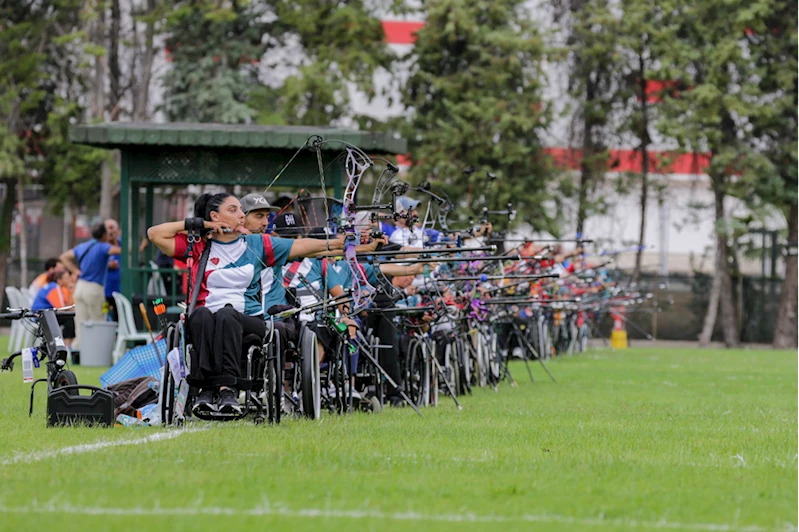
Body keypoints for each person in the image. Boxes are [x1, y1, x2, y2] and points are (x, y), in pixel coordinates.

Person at [147, 192, 345, 416]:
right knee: (200, 315)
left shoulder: (257, 243)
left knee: (227, 314)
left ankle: (227, 389)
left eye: (241, 210)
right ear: (214, 216)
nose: (241, 215)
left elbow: (301, 246)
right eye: (233, 210)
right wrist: (199, 225)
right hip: (206, 322)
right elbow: (154, 234)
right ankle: (204, 390)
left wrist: (338, 243)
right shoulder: (198, 245)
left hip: (249, 322)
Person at [59, 223, 122, 352]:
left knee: (81, 323)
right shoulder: (103, 247)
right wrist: (115, 240)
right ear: (104, 234)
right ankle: (97, 352)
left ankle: (78, 351)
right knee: (98, 320)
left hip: (80, 287)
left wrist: (75, 271)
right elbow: (120, 250)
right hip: (94, 288)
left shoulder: (83, 246)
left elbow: (63, 257)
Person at [31, 269, 75, 351]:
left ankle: (68, 346)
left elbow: (66, 307)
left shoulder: (56, 287)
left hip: (44, 315)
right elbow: (61, 309)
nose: (69, 280)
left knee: (69, 317)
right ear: (59, 280)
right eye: (66, 278)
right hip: (41, 317)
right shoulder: (54, 288)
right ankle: (65, 347)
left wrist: (71, 292)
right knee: (70, 319)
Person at [103, 219, 121, 322]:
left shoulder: (122, 244)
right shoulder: (102, 246)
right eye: (107, 228)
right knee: (104, 313)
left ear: (117, 230)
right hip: (105, 291)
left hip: (119, 289)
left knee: (118, 316)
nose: (109, 231)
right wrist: (107, 265)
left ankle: (118, 336)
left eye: (111, 228)